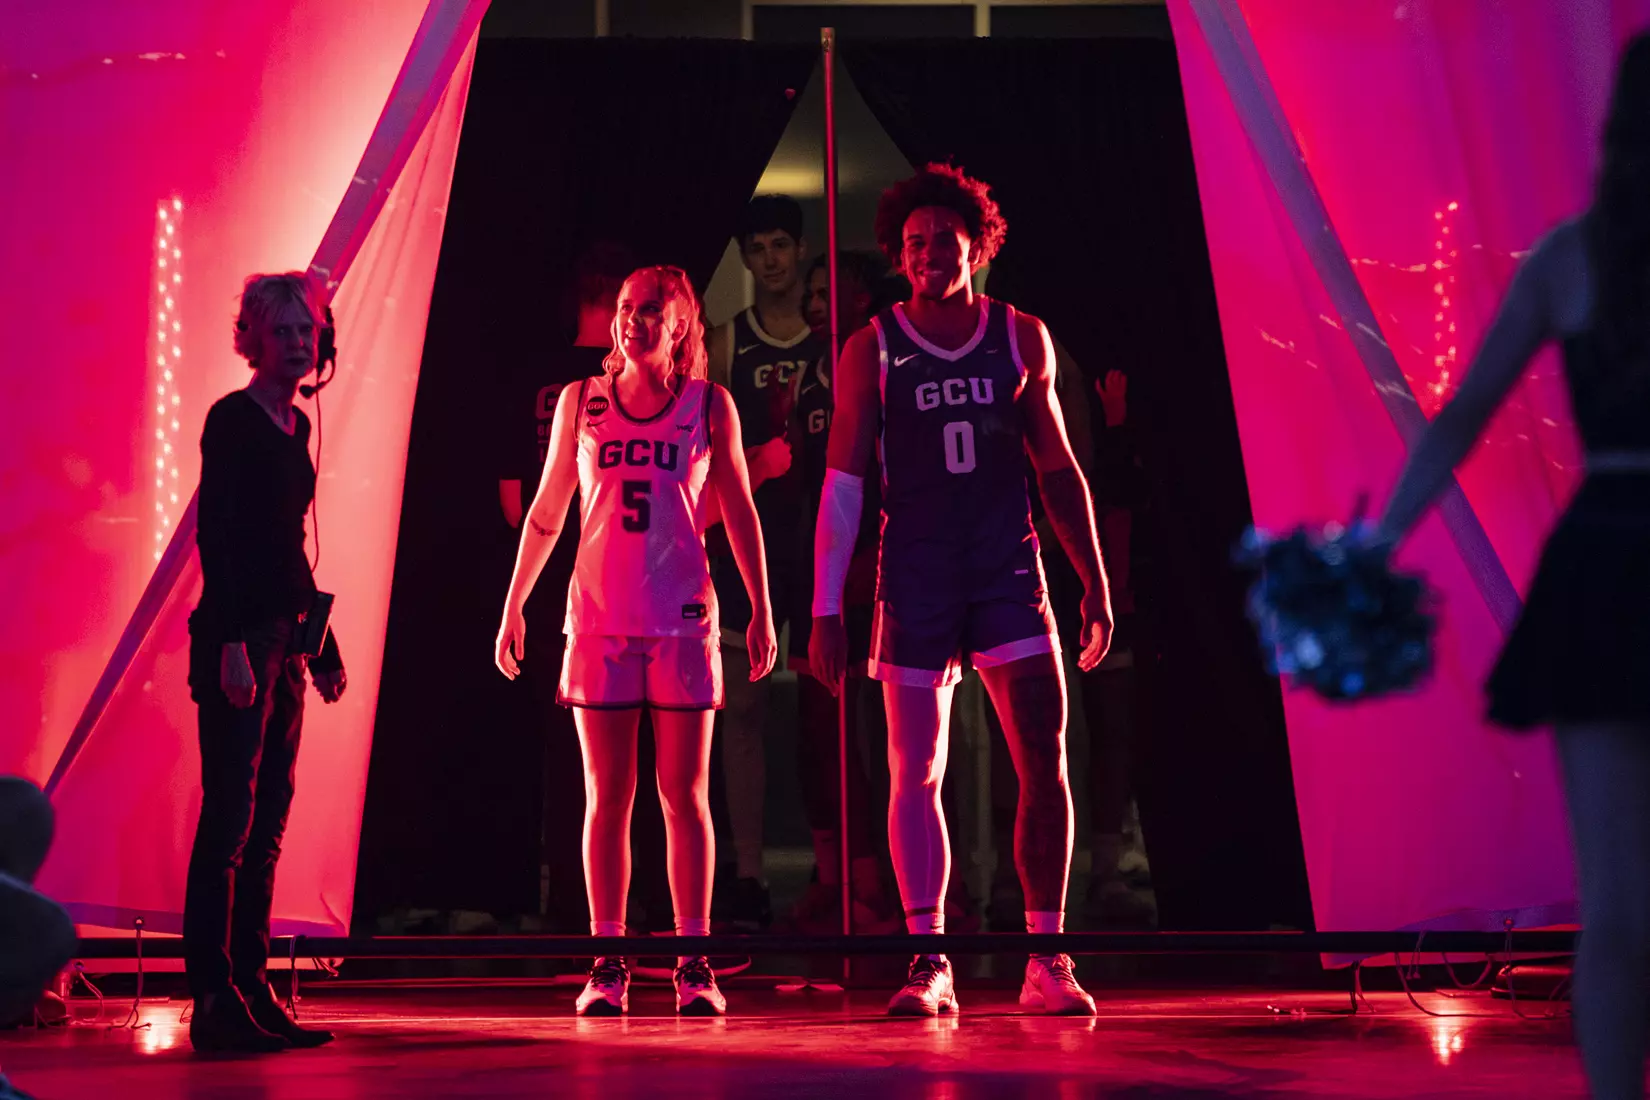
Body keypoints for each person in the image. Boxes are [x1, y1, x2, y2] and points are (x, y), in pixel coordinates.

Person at [1375, 35, 1650, 1100]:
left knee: (1617, 901)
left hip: (1608, 560)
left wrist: (1378, 542)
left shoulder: (1572, 258)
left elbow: (1460, 417)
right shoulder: (1570, 258)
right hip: (1610, 561)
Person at [811, 164, 1112, 1017]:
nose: (928, 253)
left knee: (1043, 756)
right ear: (897, 254)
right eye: (914, 243)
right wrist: (825, 606)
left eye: (944, 239)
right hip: (915, 575)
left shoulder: (1021, 336)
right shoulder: (872, 346)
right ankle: (928, 959)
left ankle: (1046, 959)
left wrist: (1094, 581)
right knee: (915, 771)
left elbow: (1059, 469)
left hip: (1007, 569)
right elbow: (842, 484)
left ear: (977, 246)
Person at [496, 266, 776, 1018]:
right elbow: (548, 511)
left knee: (684, 796)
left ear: (680, 323)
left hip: (682, 618)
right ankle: (608, 960)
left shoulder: (709, 405)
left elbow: (739, 510)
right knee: (606, 798)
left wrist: (762, 606)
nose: (633, 320)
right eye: (626, 307)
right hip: (599, 618)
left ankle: (694, 961)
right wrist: (515, 604)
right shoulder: (580, 401)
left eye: (651, 309)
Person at [184, 272, 345, 1053]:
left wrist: (323, 647)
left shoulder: (295, 427)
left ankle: (252, 985)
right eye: (282, 331)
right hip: (242, 636)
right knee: (229, 820)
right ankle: (213, 997)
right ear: (253, 339)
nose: (298, 343)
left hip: (284, 639)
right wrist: (230, 647)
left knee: (269, 820)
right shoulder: (233, 421)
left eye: (305, 331)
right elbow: (218, 539)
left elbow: (287, 548)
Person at [496, 239, 636, 932]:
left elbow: (513, 501)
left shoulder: (541, 378)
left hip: (560, 583)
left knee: (570, 756)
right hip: (605, 584)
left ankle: (567, 909)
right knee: (620, 762)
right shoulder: (612, 388)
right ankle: (613, 915)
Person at [705, 195, 821, 929]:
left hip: (816, 542)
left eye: (782, 244)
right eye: (759, 248)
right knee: (742, 708)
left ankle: (836, 864)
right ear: (745, 258)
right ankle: (747, 871)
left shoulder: (831, 340)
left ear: (799, 250)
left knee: (825, 707)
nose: (772, 259)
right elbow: (704, 455)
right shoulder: (727, 343)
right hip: (746, 544)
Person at [785, 251, 899, 933]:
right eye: (812, 291)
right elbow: (807, 478)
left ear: (860, 298)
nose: (816, 301)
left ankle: (881, 885)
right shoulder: (810, 373)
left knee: (878, 737)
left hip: (875, 571)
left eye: (829, 290)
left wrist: (874, 553)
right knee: (816, 735)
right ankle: (834, 877)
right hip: (817, 569)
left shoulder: (884, 362)